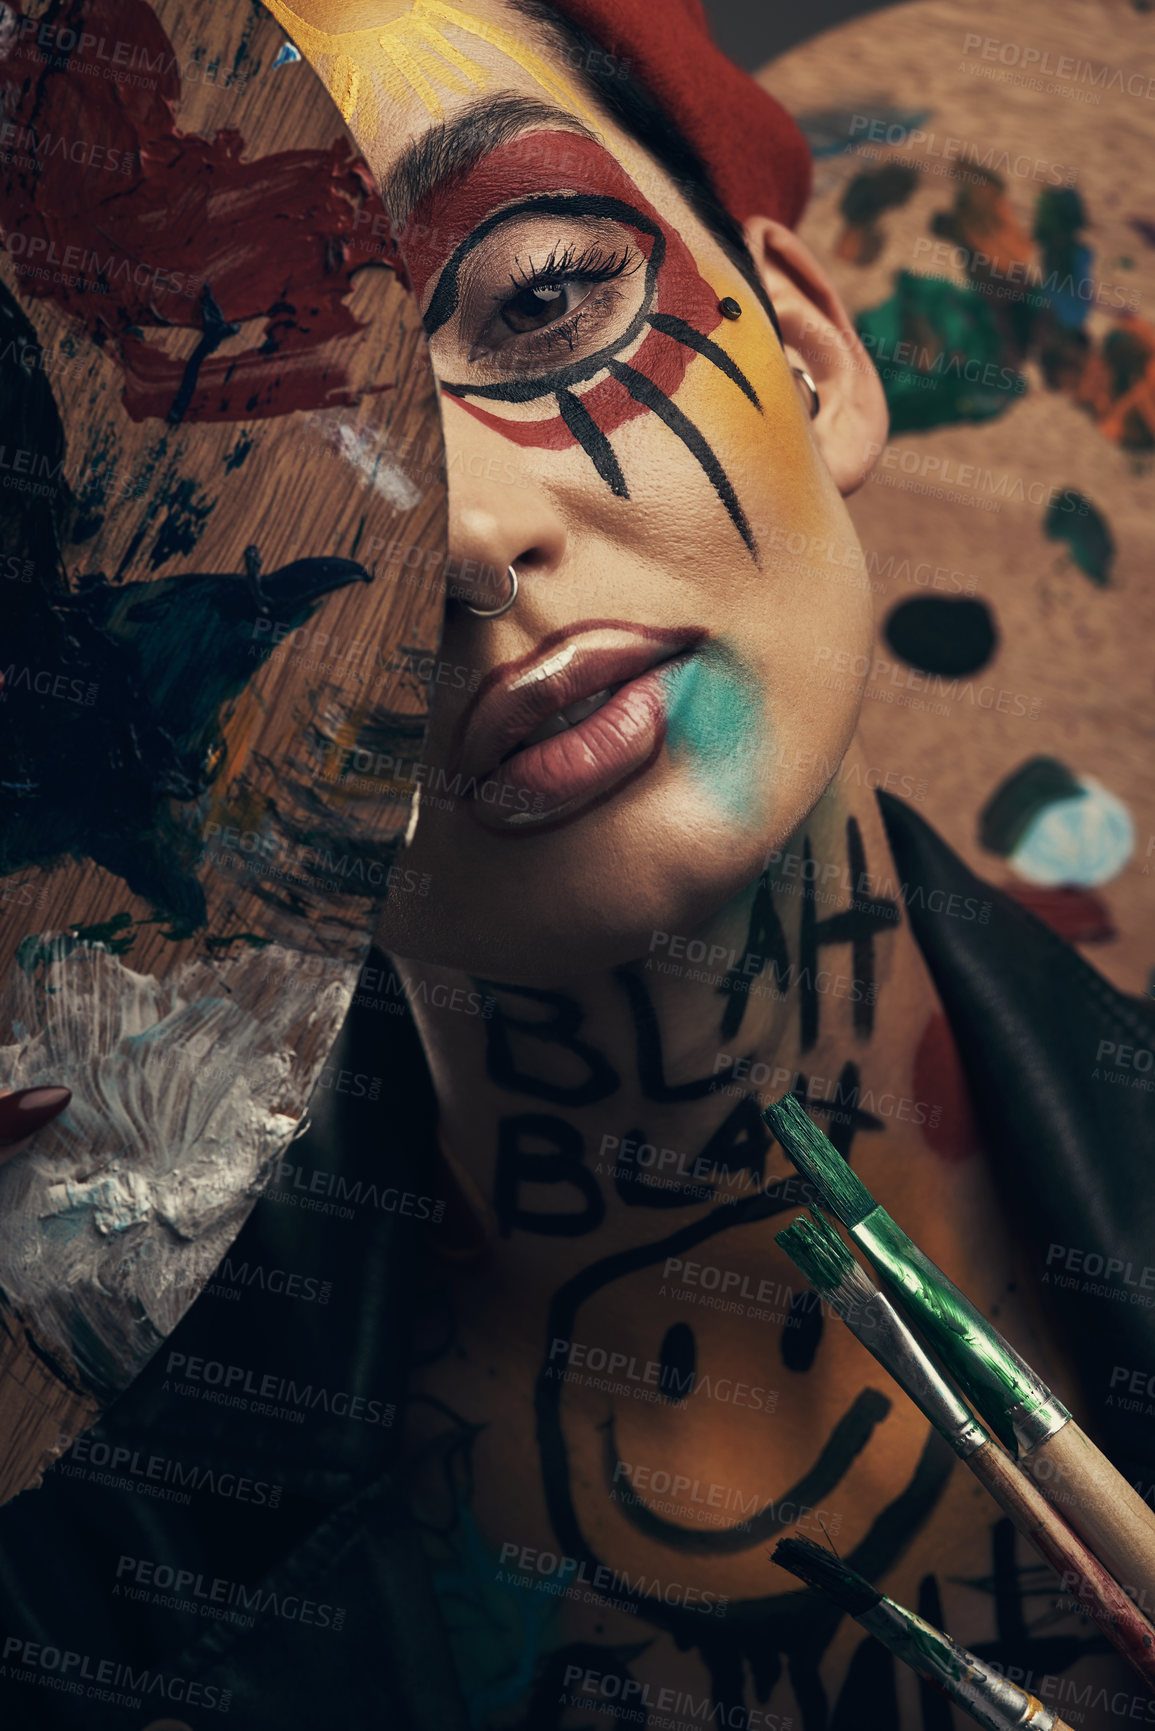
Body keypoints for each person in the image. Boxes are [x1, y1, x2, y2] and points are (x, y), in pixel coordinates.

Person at [3, 2, 1153, 1728]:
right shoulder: (78, 1604)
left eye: (541, 295)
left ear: (817, 358)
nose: (464, 534)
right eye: (228, 476)